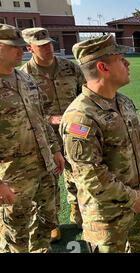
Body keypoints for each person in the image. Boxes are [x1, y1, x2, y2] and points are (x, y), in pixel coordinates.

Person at [61, 34, 140, 253]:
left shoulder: (123, 102)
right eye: (121, 58)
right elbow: (89, 174)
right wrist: (131, 197)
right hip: (107, 218)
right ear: (103, 67)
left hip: (137, 205)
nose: (127, 62)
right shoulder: (80, 116)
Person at [0, 24, 64, 253]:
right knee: (15, 233)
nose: (21, 51)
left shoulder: (25, 80)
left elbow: (41, 118)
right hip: (12, 177)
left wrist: (55, 150)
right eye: (14, 47)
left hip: (44, 168)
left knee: (46, 221)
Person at [21, 27, 86, 241]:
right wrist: (51, 120)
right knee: (49, 178)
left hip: (75, 129)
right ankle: (52, 221)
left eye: (49, 43)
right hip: (44, 134)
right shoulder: (24, 76)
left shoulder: (70, 68)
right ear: (30, 48)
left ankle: (77, 207)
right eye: (41, 46)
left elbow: (85, 97)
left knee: (78, 169)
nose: (48, 48)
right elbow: (27, 112)